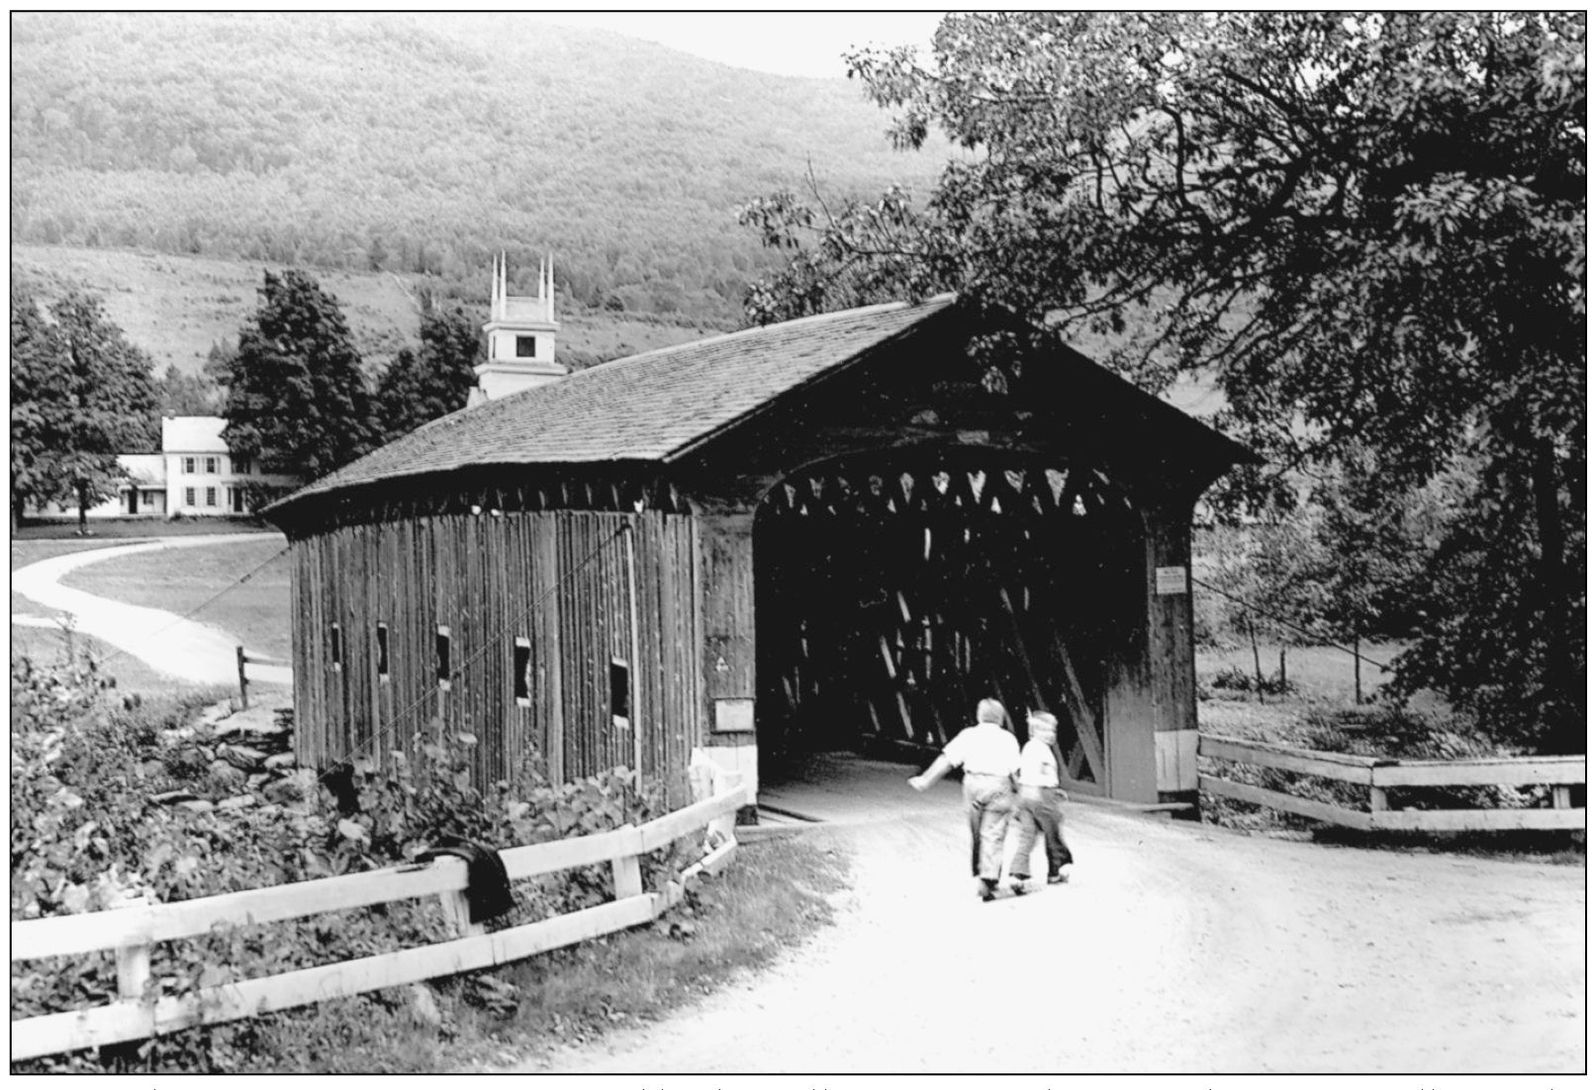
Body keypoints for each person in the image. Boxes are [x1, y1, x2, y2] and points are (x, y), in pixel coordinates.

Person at [908, 697, 1021, 901]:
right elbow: (1016, 773)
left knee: (977, 831)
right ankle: (988, 877)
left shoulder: (968, 735)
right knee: (993, 834)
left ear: (979, 716)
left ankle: (981, 873)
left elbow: (947, 760)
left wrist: (926, 780)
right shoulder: (1008, 739)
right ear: (1001, 719)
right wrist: (1021, 798)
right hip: (999, 786)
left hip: (973, 785)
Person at [1007, 711, 1073, 894]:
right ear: (1033, 730)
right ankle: (1054, 872)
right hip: (1041, 796)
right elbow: (1041, 776)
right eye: (1045, 730)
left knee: (1027, 837)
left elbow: (1023, 774)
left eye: (1053, 730)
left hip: (1025, 797)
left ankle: (1017, 875)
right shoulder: (1041, 749)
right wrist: (1048, 793)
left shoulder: (1028, 747)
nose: (1051, 734)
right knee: (1053, 834)